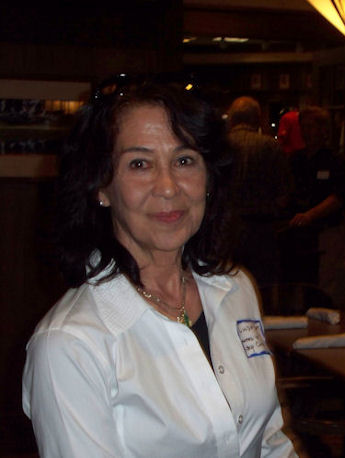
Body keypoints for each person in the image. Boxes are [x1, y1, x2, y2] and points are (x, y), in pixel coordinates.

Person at [22, 77, 296, 457]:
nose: (168, 187)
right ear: (100, 187)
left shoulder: (235, 289)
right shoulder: (69, 345)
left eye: (184, 160)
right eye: (140, 164)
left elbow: (268, 441)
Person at [282, 106, 345, 301]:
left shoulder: (335, 161)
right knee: (299, 284)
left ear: (323, 130)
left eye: (311, 127)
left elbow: (338, 198)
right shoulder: (295, 160)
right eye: (303, 127)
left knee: (327, 284)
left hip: (326, 231)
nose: (306, 132)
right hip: (298, 233)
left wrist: (310, 215)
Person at [227, 96, 291, 289]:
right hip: (261, 229)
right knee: (262, 288)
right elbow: (284, 193)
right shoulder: (270, 146)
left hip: (225, 229)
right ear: (257, 118)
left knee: (227, 286)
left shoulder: (219, 147)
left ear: (232, 119)